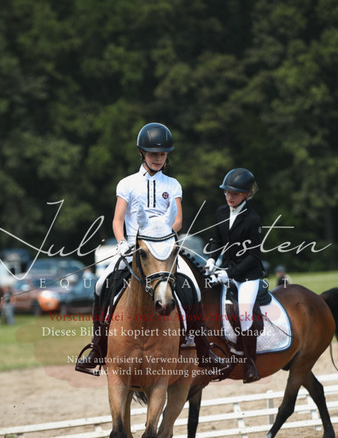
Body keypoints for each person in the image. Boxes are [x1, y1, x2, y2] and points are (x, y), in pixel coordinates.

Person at [76, 122, 229, 375]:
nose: (158, 158)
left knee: (193, 287)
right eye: (153, 154)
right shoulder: (127, 184)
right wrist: (122, 243)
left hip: (165, 248)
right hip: (134, 248)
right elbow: (117, 220)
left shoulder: (173, 184)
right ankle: (97, 347)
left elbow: (178, 221)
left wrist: (162, 232)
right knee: (101, 285)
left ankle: (203, 350)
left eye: (163, 154)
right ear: (142, 153)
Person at [204, 168, 265, 383]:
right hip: (225, 270)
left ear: (246, 195)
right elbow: (217, 240)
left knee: (244, 315)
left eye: (235, 194)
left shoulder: (253, 219)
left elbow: (253, 256)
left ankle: (250, 364)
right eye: (227, 192)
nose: (229, 197)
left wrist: (229, 273)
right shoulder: (221, 212)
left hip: (248, 276)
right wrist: (212, 259)